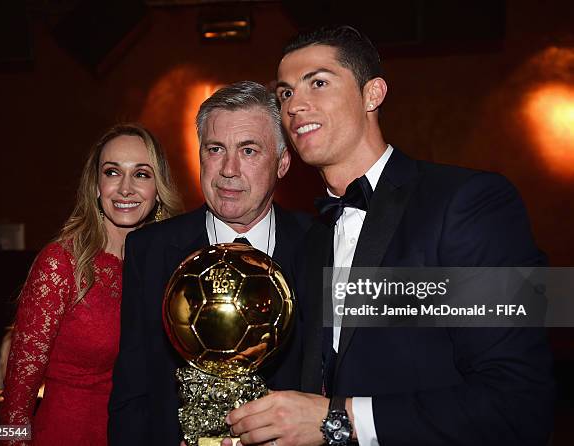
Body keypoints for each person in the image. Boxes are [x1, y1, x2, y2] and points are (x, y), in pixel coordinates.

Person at [226, 26, 554, 446]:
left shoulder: (470, 202)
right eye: (286, 93)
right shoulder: (311, 240)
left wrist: (339, 422)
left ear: (372, 94)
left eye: (319, 83)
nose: (295, 106)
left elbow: (520, 402)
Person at [108, 81, 311, 445]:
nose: (228, 169)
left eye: (249, 151)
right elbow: (132, 391)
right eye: (216, 149)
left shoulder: (319, 245)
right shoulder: (149, 250)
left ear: (282, 163)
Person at [0, 123, 182, 445]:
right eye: (112, 172)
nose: (126, 188)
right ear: (96, 186)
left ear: (158, 188)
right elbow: (18, 393)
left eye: (141, 174)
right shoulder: (61, 264)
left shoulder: (171, 268)